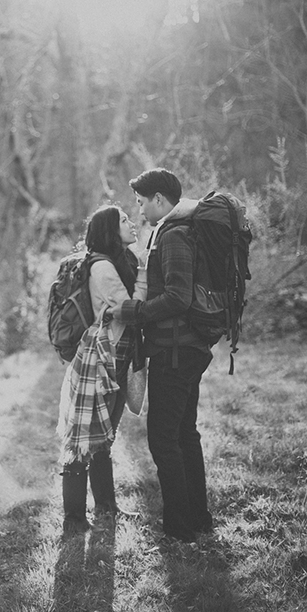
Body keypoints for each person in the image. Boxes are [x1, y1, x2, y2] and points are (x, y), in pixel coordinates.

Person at [113, 168, 213, 543]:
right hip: (188, 347)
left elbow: (178, 297)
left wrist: (133, 312)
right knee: (186, 433)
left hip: (175, 350)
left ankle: (179, 525)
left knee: (163, 438)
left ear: (159, 200)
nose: (139, 212)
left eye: (141, 203)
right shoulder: (175, 232)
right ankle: (198, 518)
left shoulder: (172, 236)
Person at [57, 204, 146, 534]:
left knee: (101, 440)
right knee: (83, 440)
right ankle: (75, 520)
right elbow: (128, 310)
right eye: (124, 220)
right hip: (102, 360)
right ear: (111, 230)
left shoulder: (117, 262)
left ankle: (107, 510)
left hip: (115, 359)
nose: (131, 223)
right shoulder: (103, 268)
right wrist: (149, 280)